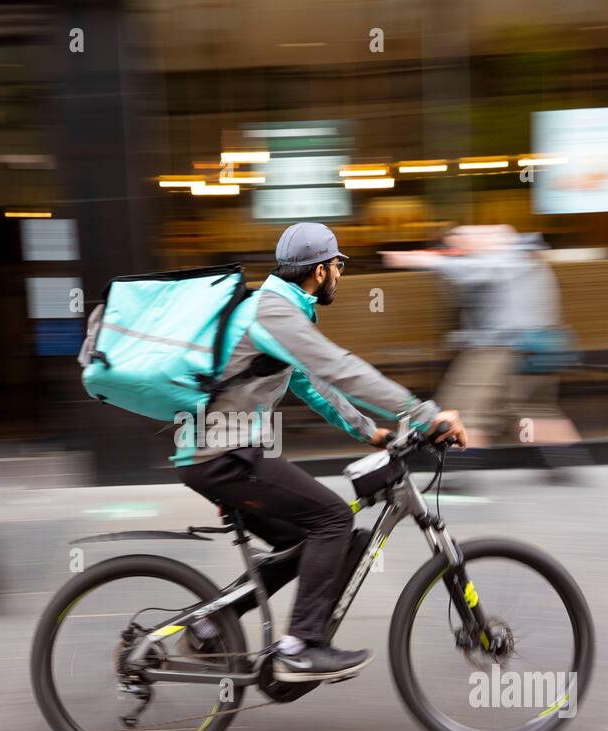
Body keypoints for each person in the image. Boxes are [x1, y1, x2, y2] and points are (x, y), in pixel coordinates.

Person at [177, 222, 466, 683]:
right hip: (224, 455)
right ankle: (299, 647)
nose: (339, 275)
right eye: (338, 266)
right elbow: (341, 368)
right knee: (333, 518)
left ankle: (208, 623)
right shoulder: (274, 312)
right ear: (320, 270)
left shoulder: (280, 309)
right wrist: (426, 414)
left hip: (223, 453)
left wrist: (370, 432)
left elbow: (315, 385)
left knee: (312, 543)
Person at [381, 225, 586, 480]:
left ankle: (459, 470)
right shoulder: (527, 258)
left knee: (467, 407)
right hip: (532, 349)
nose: (457, 245)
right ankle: (567, 463)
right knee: (533, 409)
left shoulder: (503, 259)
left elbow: (473, 272)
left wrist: (420, 258)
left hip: (497, 349)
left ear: (490, 240)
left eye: (463, 239)